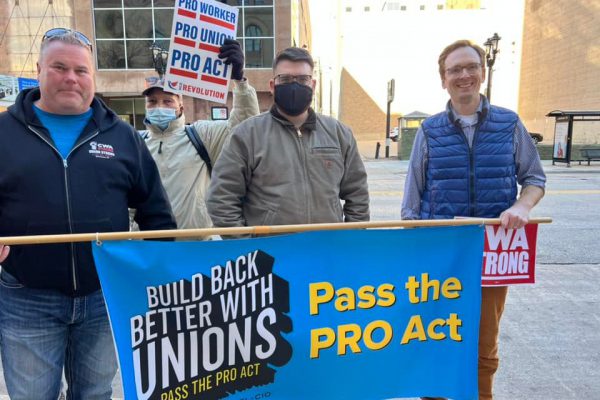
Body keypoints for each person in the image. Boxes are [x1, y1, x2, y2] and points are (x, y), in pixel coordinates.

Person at [0, 28, 176, 400]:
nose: (70, 78)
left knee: (95, 394)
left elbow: (156, 212)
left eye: (81, 70)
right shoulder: (4, 133)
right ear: (39, 69)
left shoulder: (122, 136)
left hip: (104, 296)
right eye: (59, 67)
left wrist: (154, 271)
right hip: (26, 296)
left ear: (92, 76)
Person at [401, 40, 546, 400]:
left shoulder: (509, 124)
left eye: (470, 67)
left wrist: (522, 207)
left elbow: (534, 179)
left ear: (482, 73)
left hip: (493, 253)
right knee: (434, 338)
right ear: (443, 79)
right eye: (454, 70)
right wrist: (419, 249)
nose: (463, 75)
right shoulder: (429, 131)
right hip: (441, 255)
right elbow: (411, 203)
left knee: (484, 345)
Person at [206, 47, 370, 230]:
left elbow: (358, 195)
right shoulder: (246, 135)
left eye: (302, 79)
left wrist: (351, 240)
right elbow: (221, 199)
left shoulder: (340, 134)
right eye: (285, 79)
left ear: (313, 85)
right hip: (272, 253)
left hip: (326, 250)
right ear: (272, 86)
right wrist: (249, 248)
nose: (294, 85)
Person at [140, 39, 259, 233]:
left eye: (167, 101)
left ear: (181, 106)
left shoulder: (201, 135)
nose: (159, 107)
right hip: (148, 251)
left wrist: (239, 79)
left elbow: (244, 126)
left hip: (196, 248)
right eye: (152, 101)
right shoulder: (135, 143)